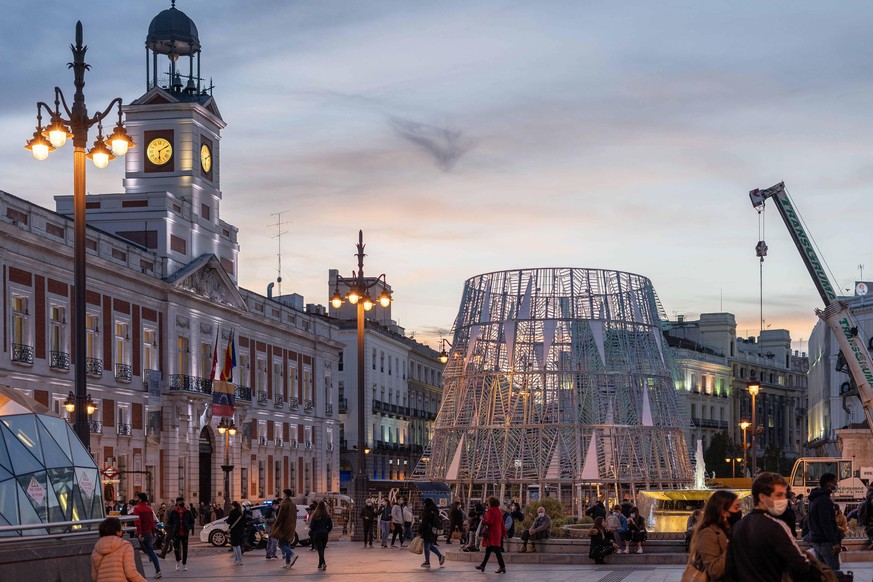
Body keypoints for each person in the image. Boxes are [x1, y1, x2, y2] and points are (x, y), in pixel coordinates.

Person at [726, 471, 812, 581]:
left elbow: (730, 567)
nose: (783, 500)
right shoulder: (775, 527)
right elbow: (799, 564)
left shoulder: (738, 526)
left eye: (785, 495)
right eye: (779, 495)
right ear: (762, 497)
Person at [687, 490, 739, 581]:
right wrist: (734, 544)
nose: (739, 511)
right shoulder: (707, 533)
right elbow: (714, 570)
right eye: (736, 507)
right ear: (723, 512)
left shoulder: (730, 530)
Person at [91, 517, 148, 582]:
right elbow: (130, 573)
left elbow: (94, 577)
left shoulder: (96, 550)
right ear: (117, 531)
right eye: (121, 529)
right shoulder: (125, 546)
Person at [807, 472, 842, 573]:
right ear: (828, 484)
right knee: (833, 572)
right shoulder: (824, 500)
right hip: (826, 543)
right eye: (835, 482)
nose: (836, 485)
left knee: (822, 573)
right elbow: (826, 523)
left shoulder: (814, 499)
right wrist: (834, 542)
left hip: (817, 540)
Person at [132, 492, 162, 579]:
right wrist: (153, 533)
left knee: (133, 552)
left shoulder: (137, 509)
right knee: (151, 552)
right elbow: (152, 522)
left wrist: (139, 533)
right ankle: (158, 570)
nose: (136, 499)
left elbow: (138, 522)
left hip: (140, 534)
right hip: (148, 533)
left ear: (140, 499)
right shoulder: (149, 509)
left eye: (137, 497)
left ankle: (134, 573)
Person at [474, 496, 507, 574]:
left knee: (496, 551)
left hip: (491, 534)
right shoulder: (499, 511)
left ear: (490, 503)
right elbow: (502, 523)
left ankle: (502, 567)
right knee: (489, 550)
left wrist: (483, 519)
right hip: (497, 533)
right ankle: (483, 565)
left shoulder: (490, 510)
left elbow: (489, 521)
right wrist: (504, 533)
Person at [272, 489, 299, 569]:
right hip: (291, 527)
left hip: (284, 527)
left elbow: (280, 517)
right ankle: (288, 563)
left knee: (281, 544)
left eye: (283, 494)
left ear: (285, 494)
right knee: (287, 544)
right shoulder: (293, 505)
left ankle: (292, 554)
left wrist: (275, 526)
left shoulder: (284, 504)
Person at [166, 496, 194, 572]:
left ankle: (184, 564)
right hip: (176, 532)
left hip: (184, 532)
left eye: (182, 501)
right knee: (176, 549)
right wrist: (172, 528)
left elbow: (192, 521)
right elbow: (169, 522)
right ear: (177, 503)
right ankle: (178, 562)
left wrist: (189, 528)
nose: (181, 503)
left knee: (185, 549)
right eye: (180, 502)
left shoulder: (188, 512)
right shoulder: (174, 512)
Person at [419, 497, 446, 568]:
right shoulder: (435, 510)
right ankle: (440, 556)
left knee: (426, 546)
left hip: (427, 530)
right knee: (430, 546)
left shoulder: (427, 511)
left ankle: (427, 561)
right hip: (433, 530)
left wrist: (420, 530)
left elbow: (424, 522)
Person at [309, 500, 333, 571]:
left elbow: (312, 526)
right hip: (325, 534)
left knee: (320, 549)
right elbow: (330, 526)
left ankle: (323, 563)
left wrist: (315, 531)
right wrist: (327, 531)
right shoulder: (327, 515)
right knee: (323, 549)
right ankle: (320, 564)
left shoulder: (315, 515)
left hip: (317, 533)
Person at [227, 501, 245, 566]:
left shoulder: (232, 512)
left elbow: (229, 521)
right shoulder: (241, 513)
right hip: (241, 531)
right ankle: (239, 560)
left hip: (234, 531)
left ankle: (238, 560)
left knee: (235, 545)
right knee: (238, 545)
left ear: (233, 506)